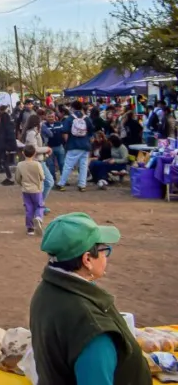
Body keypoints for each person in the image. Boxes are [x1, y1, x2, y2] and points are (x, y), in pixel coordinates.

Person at [29, 213, 149, 384]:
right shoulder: (91, 326)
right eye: (103, 250)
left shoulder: (46, 290)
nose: (106, 256)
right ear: (87, 259)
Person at [57, 101, 95, 192]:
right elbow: (91, 132)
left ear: (72, 108)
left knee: (68, 165)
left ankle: (62, 184)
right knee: (83, 165)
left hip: (73, 144)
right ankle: (82, 185)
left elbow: (64, 131)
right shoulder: (87, 118)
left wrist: (67, 143)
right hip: (85, 145)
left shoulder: (70, 118)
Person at [15, 145, 46, 236]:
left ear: (23, 153)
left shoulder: (20, 165)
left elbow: (17, 178)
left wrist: (22, 184)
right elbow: (42, 177)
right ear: (34, 153)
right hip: (36, 189)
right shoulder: (37, 164)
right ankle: (38, 217)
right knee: (39, 206)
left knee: (29, 208)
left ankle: (30, 228)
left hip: (25, 190)